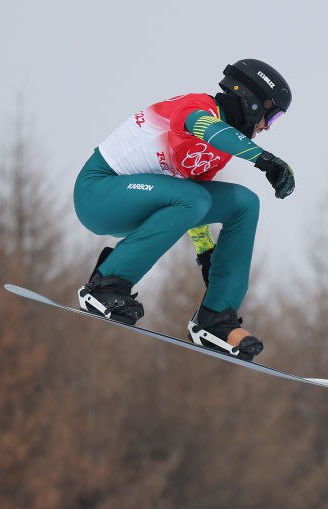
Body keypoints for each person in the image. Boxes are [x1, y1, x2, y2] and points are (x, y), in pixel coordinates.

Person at [72, 59, 295, 361]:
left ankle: (216, 318)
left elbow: (193, 195)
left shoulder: (219, 150)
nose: (267, 126)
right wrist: (262, 159)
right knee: (194, 198)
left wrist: (206, 254)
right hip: (98, 193)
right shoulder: (197, 107)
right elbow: (206, 129)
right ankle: (105, 283)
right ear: (253, 103)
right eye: (272, 115)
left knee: (244, 204)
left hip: (146, 203)